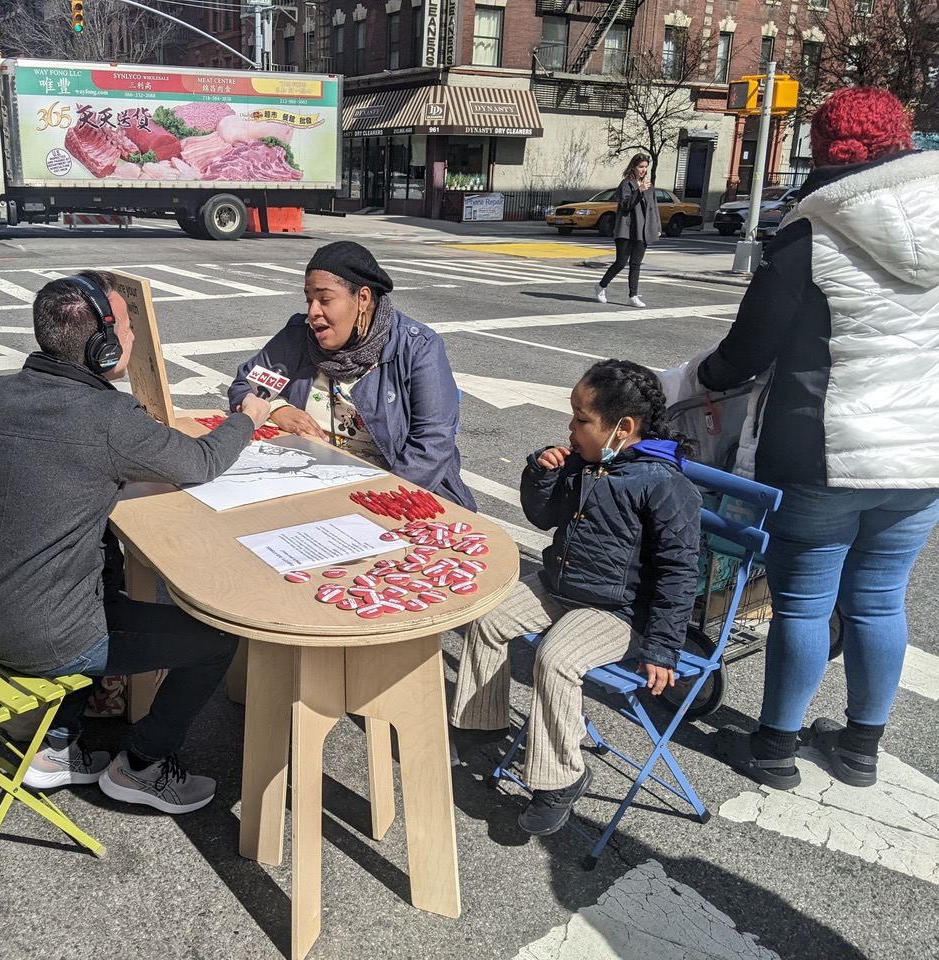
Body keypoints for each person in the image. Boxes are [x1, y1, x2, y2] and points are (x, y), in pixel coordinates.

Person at [697, 87, 939, 791]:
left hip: (823, 450)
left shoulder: (812, 231)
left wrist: (706, 377)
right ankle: (861, 745)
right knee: (881, 600)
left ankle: (773, 746)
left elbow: (747, 349)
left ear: (827, 149)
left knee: (803, 603)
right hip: (922, 454)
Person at [0, 271, 272, 814]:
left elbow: (57, 469)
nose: (131, 339)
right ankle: (144, 764)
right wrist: (245, 419)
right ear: (102, 343)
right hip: (48, 638)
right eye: (126, 329)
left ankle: (58, 747)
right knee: (216, 640)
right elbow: (200, 461)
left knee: (102, 580)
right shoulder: (106, 417)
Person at [450, 360, 700, 835]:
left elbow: (678, 572)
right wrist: (542, 473)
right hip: (561, 586)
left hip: (619, 611)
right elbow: (543, 516)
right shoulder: (587, 464)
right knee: (486, 615)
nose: (571, 427)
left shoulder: (665, 485)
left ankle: (561, 777)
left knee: (555, 657)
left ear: (622, 428)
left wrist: (665, 646)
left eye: (582, 419)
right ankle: (483, 722)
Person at [227, 241, 476, 510]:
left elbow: (432, 444)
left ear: (363, 299)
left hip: (393, 495)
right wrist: (277, 408)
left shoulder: (417, 348)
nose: (313, 312)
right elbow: (244, 386)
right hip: (307, 484)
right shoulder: (298, 337)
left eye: (325, 299)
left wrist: (375, 504)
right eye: (309, 299)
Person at [595, 154, 660, 308]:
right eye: (640, 167)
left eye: (645, 167)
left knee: (636, 264)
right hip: (626, 228)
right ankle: (601, 286)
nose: (643, 170)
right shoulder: (626, 184)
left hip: (642, 230)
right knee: (621, 262)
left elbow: (653, 208)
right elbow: (625, 205)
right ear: (633, 167)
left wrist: (657, 227)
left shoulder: (649, 186)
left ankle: (633, 296)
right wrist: (639, 191)